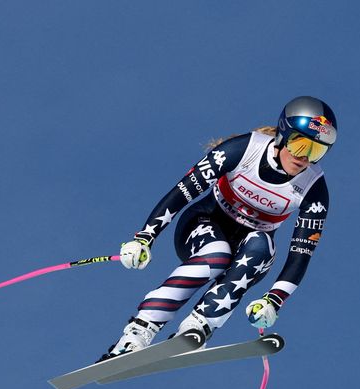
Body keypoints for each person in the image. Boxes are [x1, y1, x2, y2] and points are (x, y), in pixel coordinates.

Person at [103, 95, 336, 359]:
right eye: (300, 144)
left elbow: (301, 254)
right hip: (203, 223)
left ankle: (199, 325)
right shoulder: (243, 150)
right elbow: (182, 192)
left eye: (316, 151)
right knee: (217, 252)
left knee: (261, 245)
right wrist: (145, 237)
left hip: (250, 252)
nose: (304, 158)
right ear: (283, 134)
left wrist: (274, 300)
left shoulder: (314, 187)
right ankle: (138, 331)